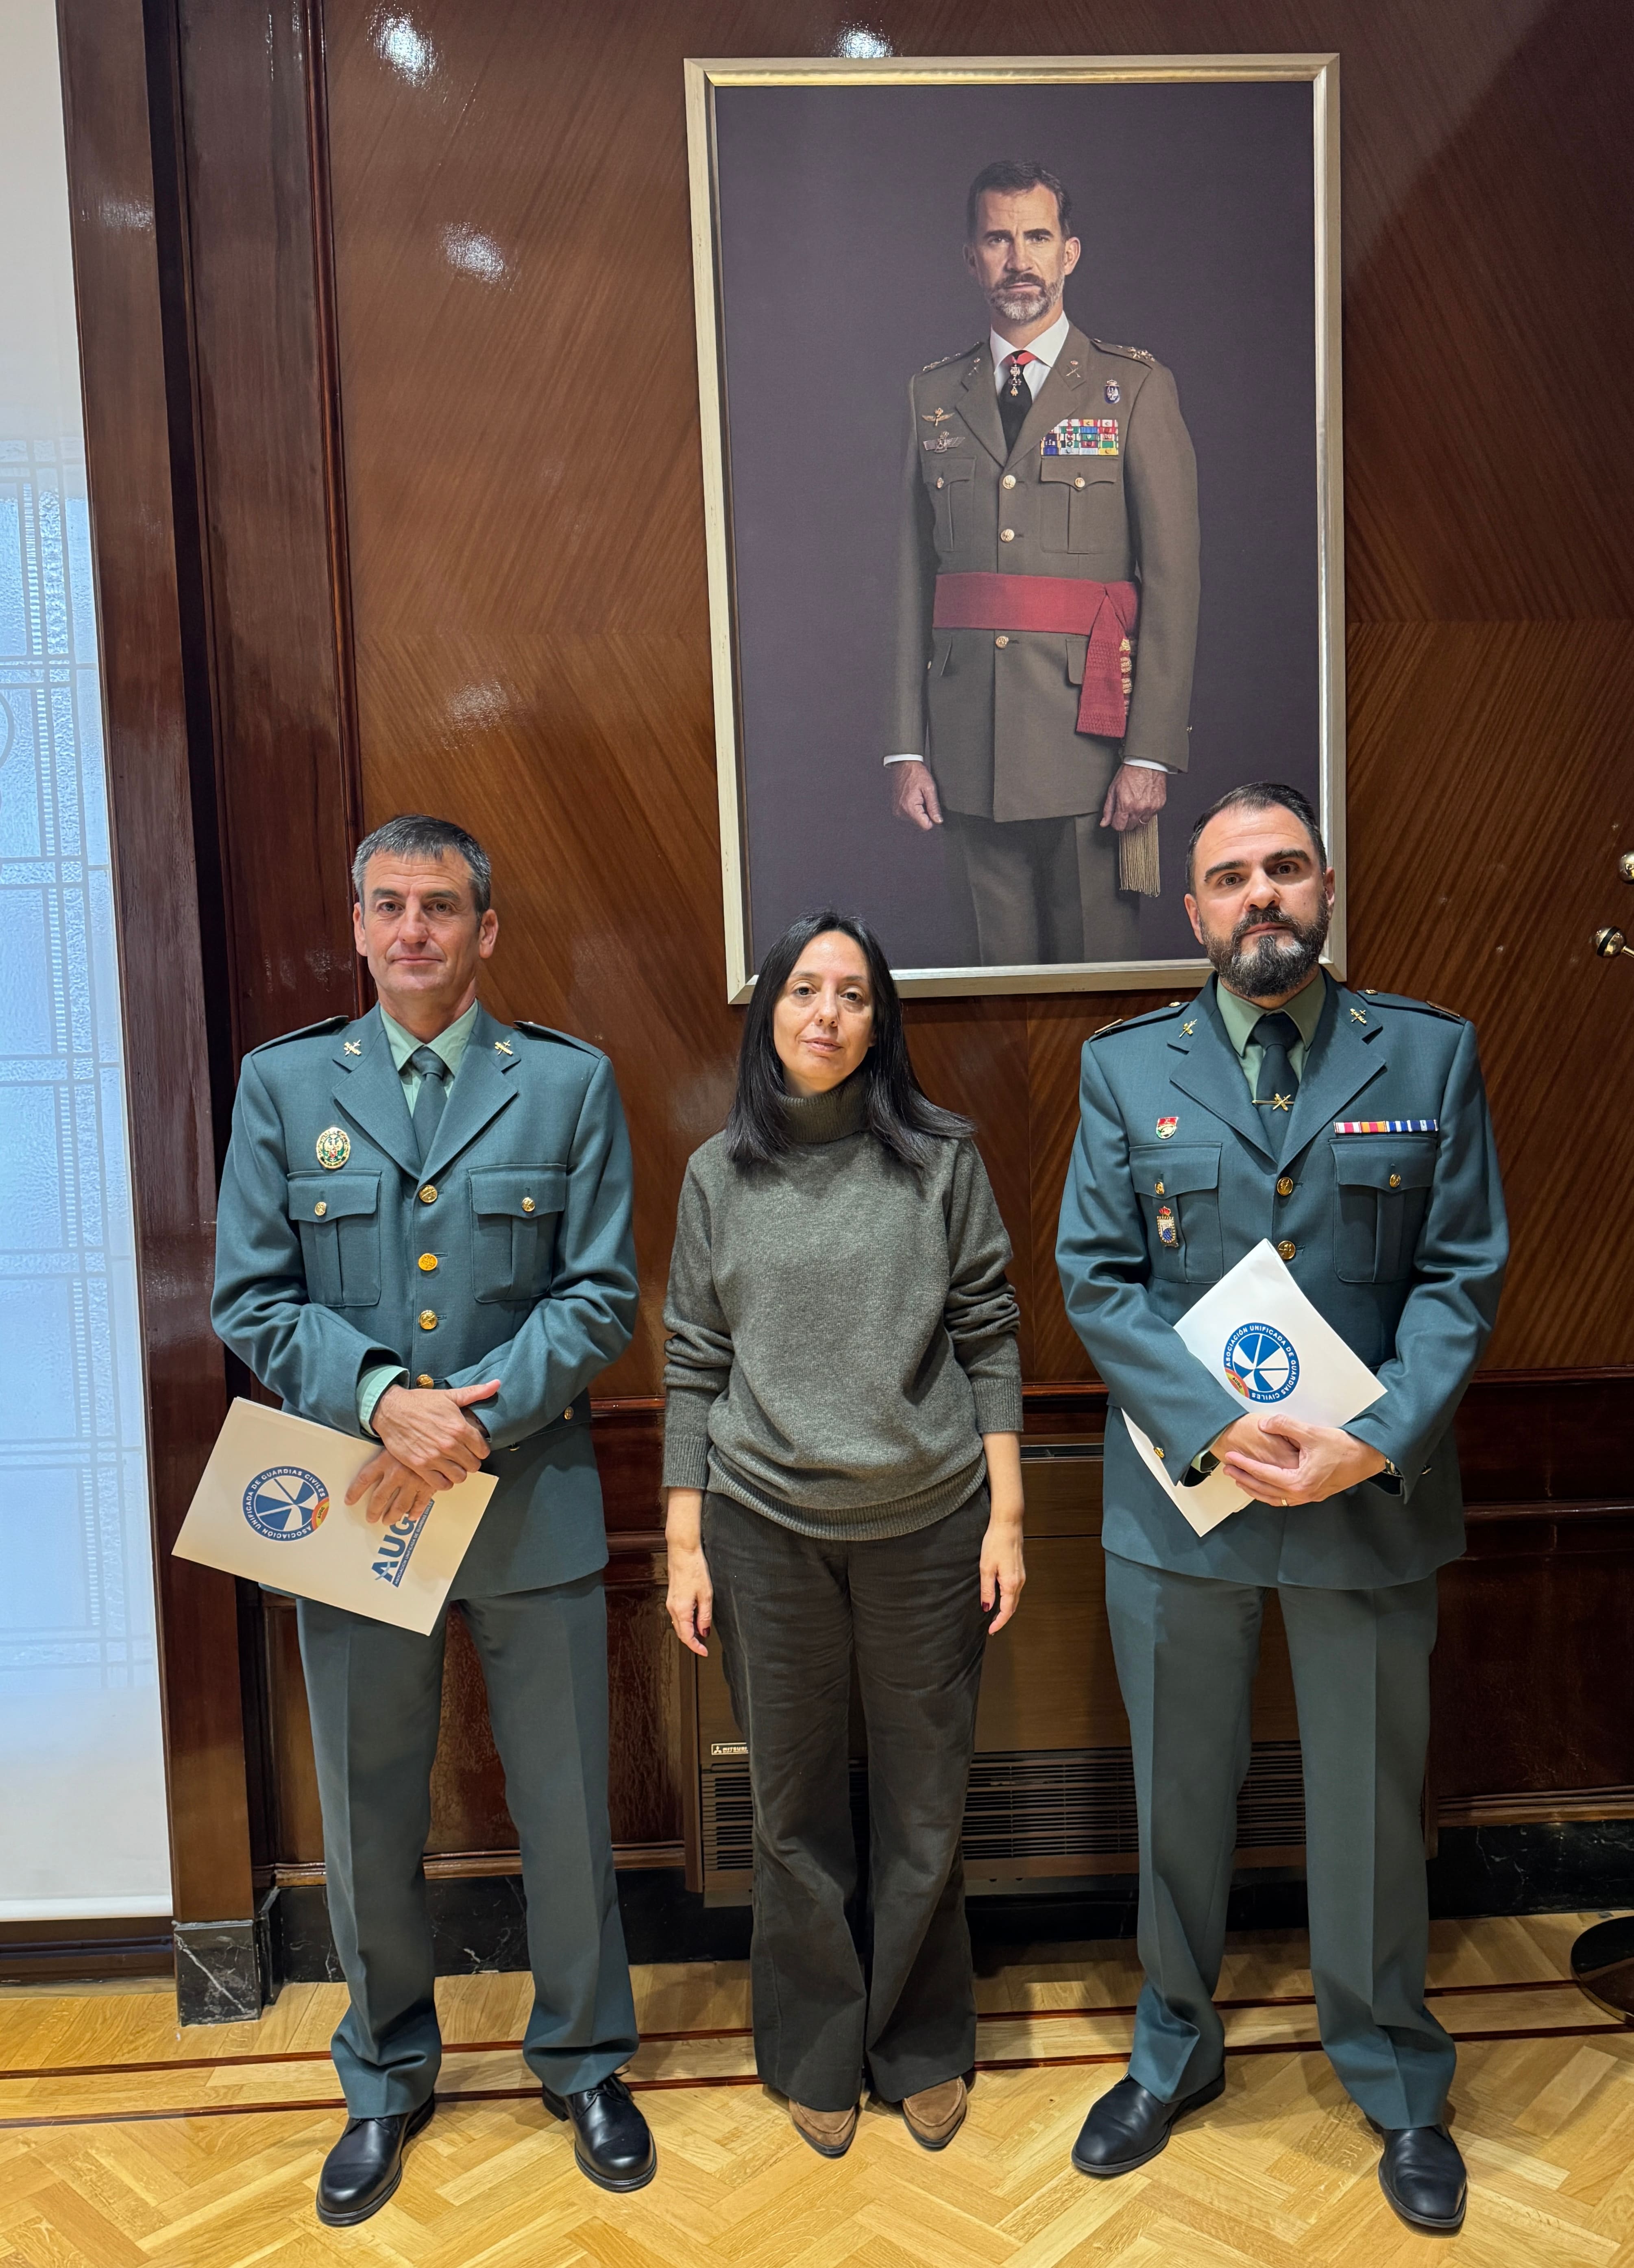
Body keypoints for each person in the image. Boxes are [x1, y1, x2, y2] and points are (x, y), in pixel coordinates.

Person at [1055, 781, 1508, 2236]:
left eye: (1283, 868)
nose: (1259, 894)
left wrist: (1367, 1440)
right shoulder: (1124, 1070)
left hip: (1362, 1498)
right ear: (1188, 913)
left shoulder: (1425, 1055)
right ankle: (1169, 2047)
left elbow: (1458, 1276)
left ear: (1323, 887)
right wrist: (1209, 1423)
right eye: (1228, 877)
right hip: (1183, 1498)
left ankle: (1389, 2075)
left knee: (1368, 1806)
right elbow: (1093, 1279)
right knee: (1175, 1794)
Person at [211, 813, 655, 2222]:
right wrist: (380, 1395)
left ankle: (584, 2058)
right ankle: (384, 2076)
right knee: (366, 1804)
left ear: (487, 930)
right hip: (354, 1495)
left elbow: (600, 1293)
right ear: (356, 925)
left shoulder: (565, 1085)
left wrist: (472, 1415)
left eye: (443, 906)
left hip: (526, 1496)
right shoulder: (284, 1088)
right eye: (390, 904)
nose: (415, 928)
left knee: (565, 1804)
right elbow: (251, 1295)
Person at [661, 911, 1024, 2157]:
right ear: (769, 1012)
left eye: (854, 993)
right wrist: (684, 1541)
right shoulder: (719, 1175)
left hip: (929, 1523)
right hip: (763, 1528)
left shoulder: (940, 1161)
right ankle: (816, 2046)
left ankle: (919, 2043)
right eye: (804, 990)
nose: (827, 1013)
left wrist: (1010, 1519)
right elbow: (692, 1364)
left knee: (926, 1807)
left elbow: (990, 1335)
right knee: (790, 1806)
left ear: (883, 1019)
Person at [889, 157, 1200, 966]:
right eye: (997, 238)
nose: (1017, 257)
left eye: (1035, 236)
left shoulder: (1131, 388)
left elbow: (1172, 583)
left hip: (1089, 742)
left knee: (1093, 979)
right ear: (970, 257)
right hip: (967, 744)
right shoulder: (930, 396)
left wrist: (1149, 751)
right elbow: (907, 581)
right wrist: (904, 746)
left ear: (1070, 252)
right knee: (989, 992)